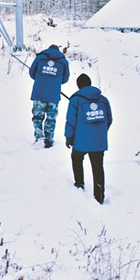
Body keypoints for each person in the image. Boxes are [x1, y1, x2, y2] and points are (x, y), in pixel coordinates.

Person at [65, 73, 113, 204]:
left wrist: (69, 137)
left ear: (78, 86)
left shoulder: (75, 99)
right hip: (99, 142)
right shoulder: (103, 99)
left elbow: (71, 121)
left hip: (81, 141)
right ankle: (99, 197)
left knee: (76, 158)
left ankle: (79, 184)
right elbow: (109, 119)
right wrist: (100, 133)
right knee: (98, 167)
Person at [29, 44, 70, 148]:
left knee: (37, 116)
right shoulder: (63, 61)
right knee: (51, 118)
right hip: (54, 95)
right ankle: (49, 140)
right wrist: (55, 81)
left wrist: (41, 78)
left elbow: (32, 72)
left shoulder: (40, 58)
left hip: (39, 93)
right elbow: (65, 79)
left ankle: (39, 136)